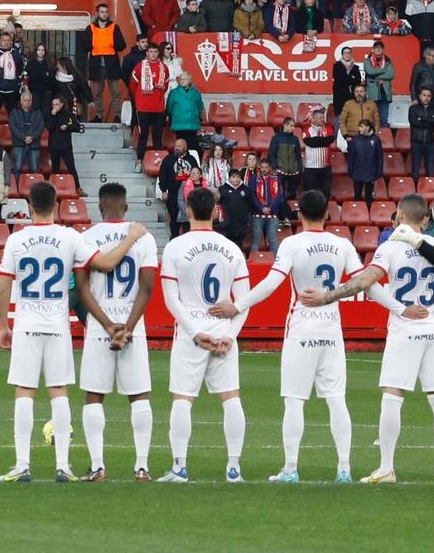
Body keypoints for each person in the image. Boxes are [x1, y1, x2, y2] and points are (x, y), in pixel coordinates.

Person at [323, 193, 434, 484]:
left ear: (401, 216)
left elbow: (367, 282)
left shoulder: (390, 247)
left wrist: (327, 297)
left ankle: (386, 467)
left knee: (393, 397)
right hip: (433, 327)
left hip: (405, 328)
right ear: (426, 219)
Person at [0, 181, 139, 483]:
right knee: (58, 393)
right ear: (57, 206)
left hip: (27, 324)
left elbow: (5, 283)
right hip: (58, 326)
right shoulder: (69, 237)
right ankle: (63, 465)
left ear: (29, 207)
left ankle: (22, 464)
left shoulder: (16, 240)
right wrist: (131, 238)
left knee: (24, 391)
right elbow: (106, 263)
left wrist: (3, 326)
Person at [217, 191, 358, 483]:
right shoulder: (342, 244)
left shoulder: (292, 243)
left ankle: (291, 468)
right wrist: (399, 307)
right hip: (332, 330)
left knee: (294, 401)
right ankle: (344, 468)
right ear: (328, 213)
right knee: (336, 399)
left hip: (302, 329)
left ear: (299, 216)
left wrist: (238, 305)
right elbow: (361, 281)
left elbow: (271, 283)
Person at [150, 186, 251, 483]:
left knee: (183, 399)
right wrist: (231, 335)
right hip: (222, 333)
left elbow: (171, 300)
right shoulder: (232, 248)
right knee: (231, 399)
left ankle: (180, 467)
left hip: (190, 330)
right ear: (216, 210)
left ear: (188, 211)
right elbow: (242, 302)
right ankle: (234, 468)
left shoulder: (175, 247)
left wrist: (195, 334)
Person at [74, 185, 157, 481]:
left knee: (94, 395)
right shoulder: (143, 237)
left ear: (99, 206)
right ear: (125, 207)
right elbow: (147, 287)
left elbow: (82, 289)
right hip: (132, 324)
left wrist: (108, 325)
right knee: (139, 396)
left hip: (100, 325)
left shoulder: (86, 238)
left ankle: (98, 465)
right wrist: (128, 327)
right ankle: (142, 466)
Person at [344, 120, 382, 201]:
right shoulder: (356, 140)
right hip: (357, 173)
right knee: (357, 195)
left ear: (368, 127)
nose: (359, 129)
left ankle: (369, 211)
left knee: (369, 197)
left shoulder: (376, 140)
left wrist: (379, 172)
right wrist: (350, 171)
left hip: (371, 173)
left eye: (361, 126)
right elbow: (351, 157)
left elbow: (379, 157)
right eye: (359, 126)